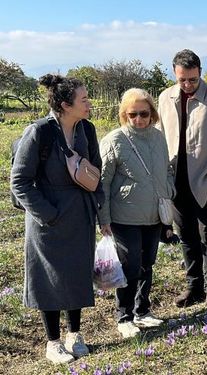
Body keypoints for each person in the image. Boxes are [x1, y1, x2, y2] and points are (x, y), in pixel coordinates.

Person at [10, 74, 104, 363]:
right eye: (84, 99)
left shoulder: (86, 130)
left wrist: (97, 206)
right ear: (65, 104)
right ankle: (52, 342)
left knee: (76, 273)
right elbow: (19, 181)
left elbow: (97, 169)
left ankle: (74, 334)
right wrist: (47, 215)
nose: (89, 103)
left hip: (80, 214)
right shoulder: (38, 132)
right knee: (47, 279)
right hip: (47, 220)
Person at [157, 49, 207, 308]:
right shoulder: (165, 98)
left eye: (192, 79)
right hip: (175, 179)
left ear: (200, 72)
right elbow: (160, 135)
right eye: (183, 80)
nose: (188, 85)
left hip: (206, 177)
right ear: (174, 73)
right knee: (186, 234)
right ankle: (194, 286)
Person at [99, 88, 175, 338]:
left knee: (147, 263)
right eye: (133, 114)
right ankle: (124, 316)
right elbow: (103, 183)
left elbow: (165, 170)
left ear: (152, 113)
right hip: (124, 216)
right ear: (124, 114)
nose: (139, 119)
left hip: (154, 213)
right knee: (130, 266)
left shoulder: (157, 137)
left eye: (144, 113)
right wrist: (104, 219)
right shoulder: (114, 140)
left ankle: (143, 310)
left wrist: (168, 191)